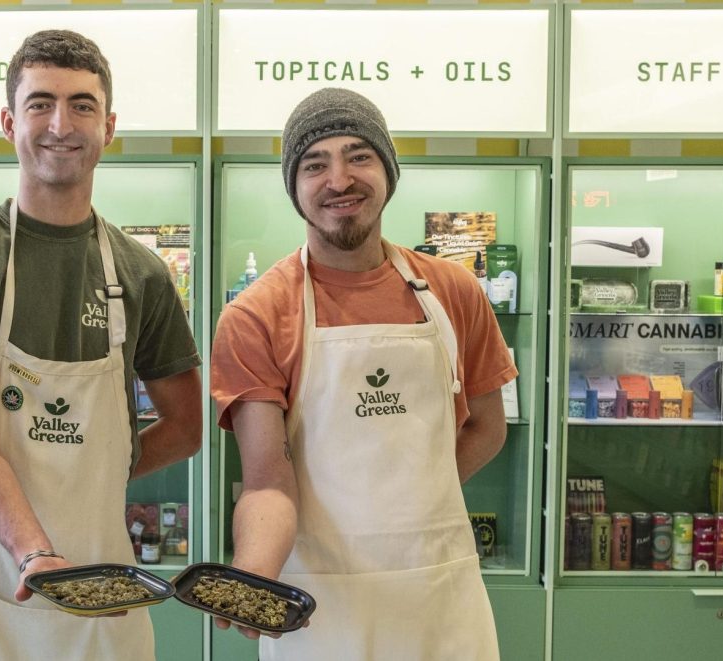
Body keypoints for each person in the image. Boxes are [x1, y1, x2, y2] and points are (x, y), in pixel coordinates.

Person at [0, 30, 202, 660]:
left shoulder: (141, 273)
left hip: (97, 587)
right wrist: (35, 548)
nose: (60, 124)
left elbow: (187, 425)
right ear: (9, 121)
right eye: (40, 104)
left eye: (82, 105)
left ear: (109, 125)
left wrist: (90, 472)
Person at [210, 87, 515, 660]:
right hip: (320, 606)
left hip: (438, 592)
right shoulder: (257, 314)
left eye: (359, 156)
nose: (339, 179)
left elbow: (488, 429)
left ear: (387, 171)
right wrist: (252, 571)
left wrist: (411, 500)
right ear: (295, 187)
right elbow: (267, 480)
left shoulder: (455, 291)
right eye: (314, 164)